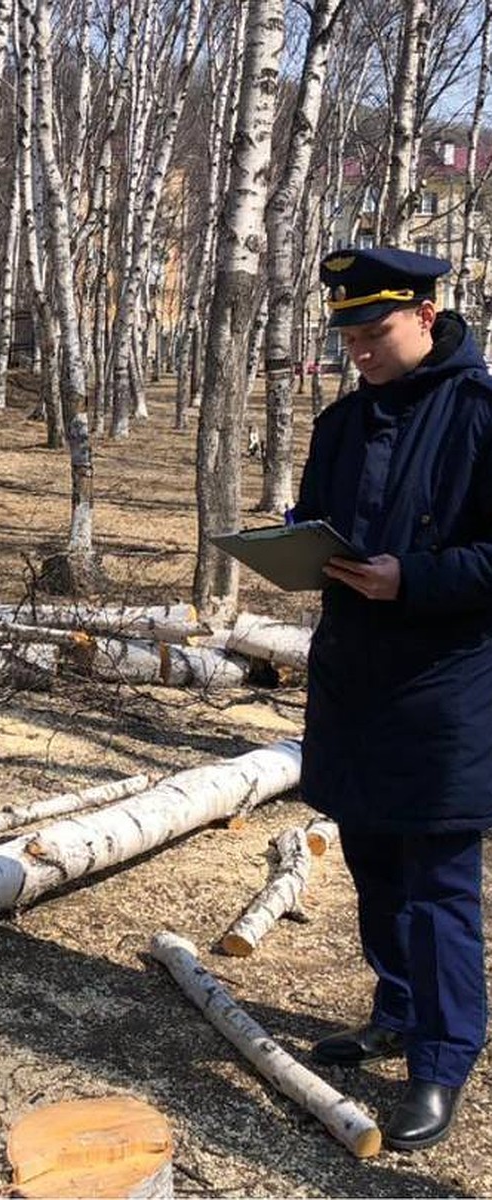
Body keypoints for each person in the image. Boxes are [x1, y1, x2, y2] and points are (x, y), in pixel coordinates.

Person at [292, 245, 492, 1152]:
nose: (359, 350)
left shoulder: (482, 417)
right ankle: (396, 1013)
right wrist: (292, 549)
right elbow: (311, 520)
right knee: (372, 859)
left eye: (374, 332)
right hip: (354, 676)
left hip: (444, 686)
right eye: (348, 335)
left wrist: (408, 578)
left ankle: (443, 1060)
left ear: (426, 311)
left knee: (438, 882)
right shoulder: (341, 424)